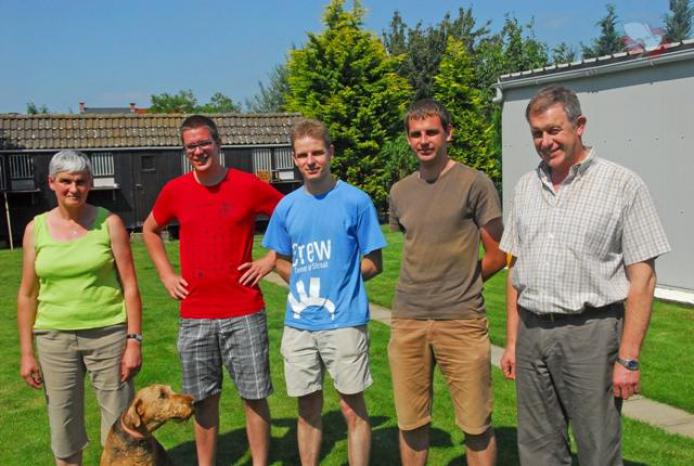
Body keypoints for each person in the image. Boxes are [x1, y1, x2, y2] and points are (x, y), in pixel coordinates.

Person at [499, 85, 671, 465]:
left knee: (597, 448)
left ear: (579, 125)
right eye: (536, 133)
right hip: (532, 335)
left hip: (590, 335)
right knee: (538, 449)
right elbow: (515, 270)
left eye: (554, 130)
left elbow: (642, 280)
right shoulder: (526, 187)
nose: (545, 141)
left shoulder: (623, 185)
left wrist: (628, 358)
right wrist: (512, 342)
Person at [142, 115, 282, 466]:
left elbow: (290, 215)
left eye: (204, 143)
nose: (199, 150)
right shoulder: (176, 190)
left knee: (254, 397)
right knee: (202, 401)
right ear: (185, 150)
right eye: (191, 146)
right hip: (196, 315)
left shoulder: (247, 185)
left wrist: (270, 259)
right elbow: (149, 229)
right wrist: (166, 275)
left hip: (245, 310)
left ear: (218, 144)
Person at [387, 99, 505, 466]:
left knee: (475, 424)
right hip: (408, 320)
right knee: (410, 422)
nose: (424, 140)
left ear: (448, 133)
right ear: (408, 139)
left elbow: (500, 254)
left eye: (432, 132)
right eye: (416, 134)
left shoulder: (475, 183)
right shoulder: (400, 191)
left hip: (462, 320)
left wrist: (466, 283)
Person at [262, 118, 386, 466]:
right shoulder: (286, 207)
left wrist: (341, 279)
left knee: (351, 407)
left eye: (317, 152)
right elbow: (280, 260)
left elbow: (374, 262)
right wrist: (303, 286)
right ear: (294, 158)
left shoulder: (356, 201)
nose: (311, 161)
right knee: (307, 406)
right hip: (300, 323)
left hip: (344, 321)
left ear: (331, 153)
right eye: (303, 155)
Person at [17, 149, 142, 466]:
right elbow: (28, 294)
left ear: (90, 184)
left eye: (81, 181)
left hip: (109, 335)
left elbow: (129, 286)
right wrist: (27, 352)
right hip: (54, 337)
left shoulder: (109, 223)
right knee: (64, 427)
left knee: (120, 428)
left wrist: (133, 341)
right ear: (52, 183)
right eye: (66, 181)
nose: (74, 188)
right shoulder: (36, 229)